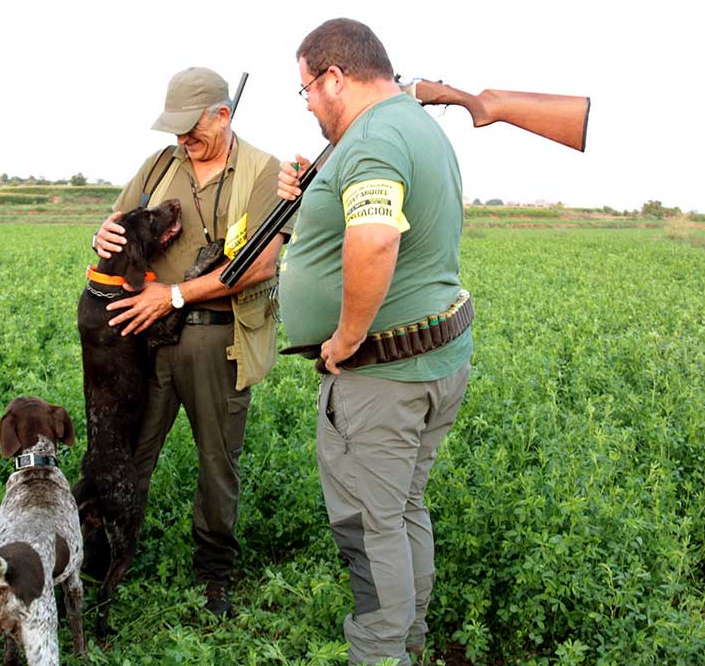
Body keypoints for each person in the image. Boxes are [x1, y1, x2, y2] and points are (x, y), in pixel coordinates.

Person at [276, 19, 473, 666]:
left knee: (368, 527)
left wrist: (345, 339)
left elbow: (377, 236)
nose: (307, 104)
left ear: (335, 77)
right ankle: (409, 638)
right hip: (430, 363)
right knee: (404, 511)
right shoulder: (412, 125)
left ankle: (379, 652)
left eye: (306, 89)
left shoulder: (377, 136)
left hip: (381, 376)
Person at [91, 66, 286, 615]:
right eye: (174, 129)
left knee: (217, 464)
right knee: (129, 457)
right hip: (145, 340)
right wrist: (101, 232)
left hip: (217, 339)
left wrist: (174, 296)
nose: (181, 141)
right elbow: (118, 224)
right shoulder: (159, 165)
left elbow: (261, 265)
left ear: (222, 115)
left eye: (192, 128)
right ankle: (108, 565)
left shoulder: (262, 170)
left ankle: (214, 576)